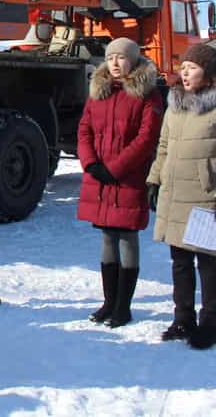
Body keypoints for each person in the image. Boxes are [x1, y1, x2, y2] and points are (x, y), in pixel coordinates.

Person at [147, 43, 216, 349]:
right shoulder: (176, 104)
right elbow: (164, 147)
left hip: (206, 197)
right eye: (183, 67)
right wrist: (154, 180)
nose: (184, 73)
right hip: (176, 195)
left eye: (192, 68)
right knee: (180, 262)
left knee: (207, 263)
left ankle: (209, 324)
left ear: (209, 73)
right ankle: (182, 319)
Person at [76, 37, 164, 328]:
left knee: (126, 236)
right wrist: (90, 163)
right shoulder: (98, 92)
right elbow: (85, 129)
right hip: (100, 176)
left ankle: (123, 307)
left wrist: (114, 169)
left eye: (121, 58)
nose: (115, 63)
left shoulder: (147, 95)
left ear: (133, 61)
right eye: (111, 57)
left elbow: (145, 139)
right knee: (106, 236)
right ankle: (108, 302)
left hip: (127, 177)